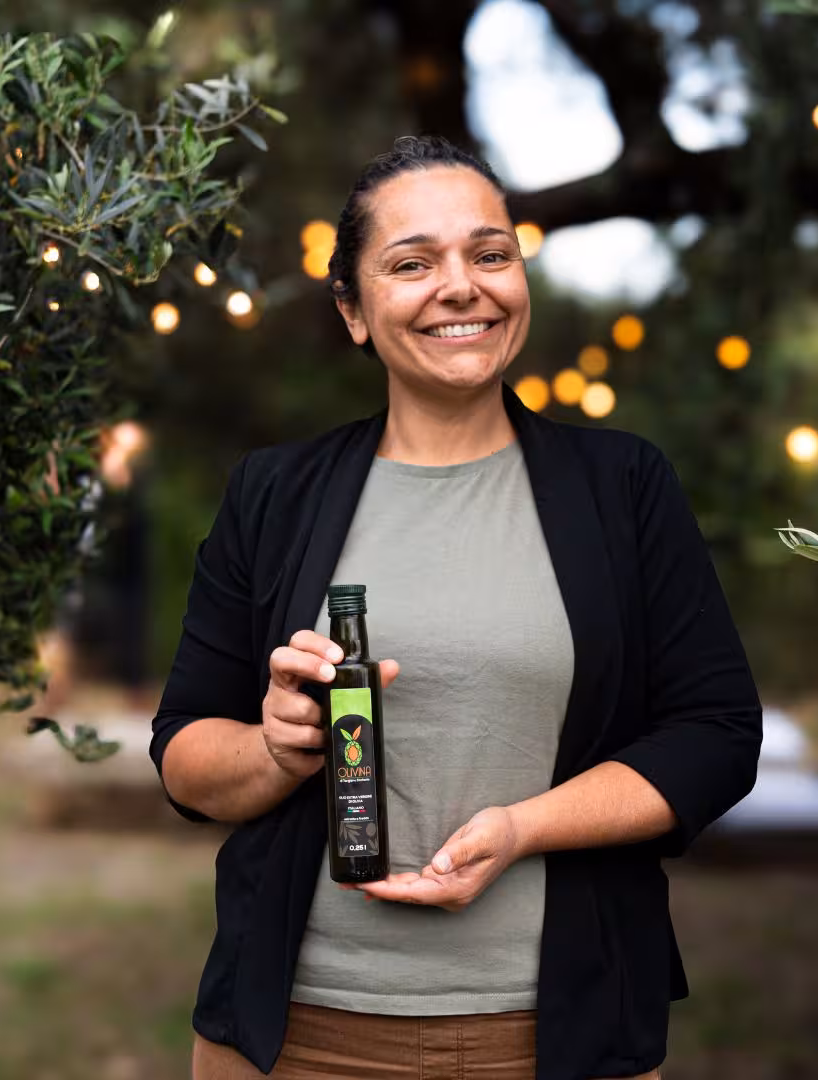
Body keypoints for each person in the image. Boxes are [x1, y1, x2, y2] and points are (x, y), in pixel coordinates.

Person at [152, 135, 763, 1080]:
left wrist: (524, 828)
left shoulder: (622, 487)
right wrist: (274, 750)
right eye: (412, 263)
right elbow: (187, 755)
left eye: (490, 253)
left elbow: (716, 734)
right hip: (295, 1035)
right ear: (354, 312)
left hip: (558, 1032)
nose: (462, 285)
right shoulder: (274, 495)